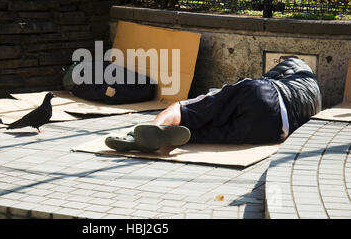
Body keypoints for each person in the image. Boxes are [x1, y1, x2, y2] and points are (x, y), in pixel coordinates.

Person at [105, 58, 322, 152]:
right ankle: (166, 138)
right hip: (275, 131)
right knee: (204, 133)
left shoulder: (293, 68)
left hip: (264, 95)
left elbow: (263, 84)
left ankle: (142, 133)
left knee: (185, 108)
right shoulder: (312, 93)